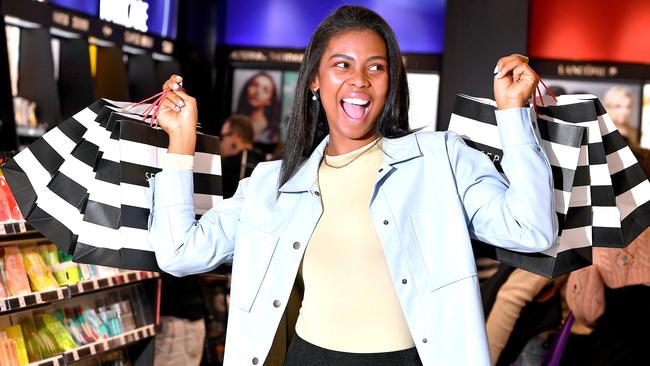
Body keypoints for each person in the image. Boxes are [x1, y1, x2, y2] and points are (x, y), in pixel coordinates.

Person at [150, 5, 556, 365]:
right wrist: (181, 141)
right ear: (314, 80)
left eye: (375, 67)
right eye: (342, 65)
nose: (359, 80)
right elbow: (179, 253)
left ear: (391, 81)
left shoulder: (440, 161)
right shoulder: (270, 185)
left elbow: (531, 228)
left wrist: (513, 113)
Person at [219, 114, 267, 198]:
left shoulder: (230, 164)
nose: (222, 141)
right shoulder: (266, 161)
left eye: (223, 136)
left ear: (235, 136)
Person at [235, 72, 282, 144]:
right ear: (246, 88)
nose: (258, 91)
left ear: (270, 100)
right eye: (254, 85)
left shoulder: (274, 131)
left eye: (265, 90)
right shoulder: (232, 122)